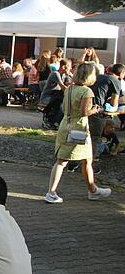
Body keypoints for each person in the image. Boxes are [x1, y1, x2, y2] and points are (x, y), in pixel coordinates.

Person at [45, 63, 112, 203]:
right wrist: (95, 110)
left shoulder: (69, 88)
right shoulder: (86, 91)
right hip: (79, 128)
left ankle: (92, 189)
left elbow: (64, 107)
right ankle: (51, 192)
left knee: (79, 159)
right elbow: (84, 112)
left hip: (66, 124)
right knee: (69, 161)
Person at [88, 64, 124, 158]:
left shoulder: (99, 76)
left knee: (82, 135)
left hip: (85, 105)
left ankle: (73, 162)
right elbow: (113, 103)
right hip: (96, 109)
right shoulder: (115, 81)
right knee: (94, 137)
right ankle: (90, 163)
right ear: (121, 73)